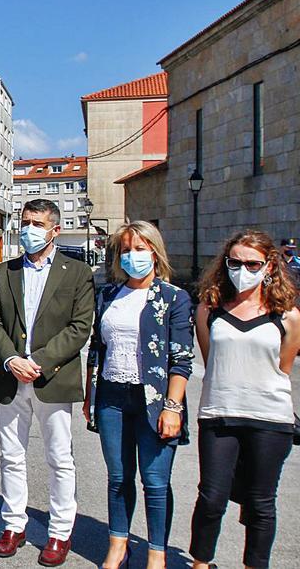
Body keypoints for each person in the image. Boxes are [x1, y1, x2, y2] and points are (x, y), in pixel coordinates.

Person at [0, 199, 95, 566]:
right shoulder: (4, 271)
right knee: (11, 455)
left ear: (54, 230)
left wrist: (38, 361)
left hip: (52, 377)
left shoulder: (76, 272)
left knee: (59, 457)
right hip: (9, 376)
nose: (29, 229)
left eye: (37, 223)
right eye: (25, 221)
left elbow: (79, 328)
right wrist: (12, 358)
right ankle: (14, 524)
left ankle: (60, 532)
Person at [83, 222, 193, 569]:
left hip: (155, 400)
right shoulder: (109, 295)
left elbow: (181, 357)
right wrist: (90, 396)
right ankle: (118, 545)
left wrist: (173, 407)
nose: (133, 256)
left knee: (155, 481)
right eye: (127, 249)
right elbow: (97, 348)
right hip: (112, 396)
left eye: (140, 248)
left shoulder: (174, 297)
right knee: (118, 478)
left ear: (155, 253)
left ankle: (157, 553)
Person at [189, 230, 300, 569]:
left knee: (261, 503)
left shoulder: (288, 315)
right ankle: (200, 563)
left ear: (269, 267)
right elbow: (211, 359)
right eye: (235, 262)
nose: (243, 269)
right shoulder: (209, 310)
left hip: (270, 419)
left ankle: (255, 564)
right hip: (219, 413)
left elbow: (283, 365)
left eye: (252, 263)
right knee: (211, 497)